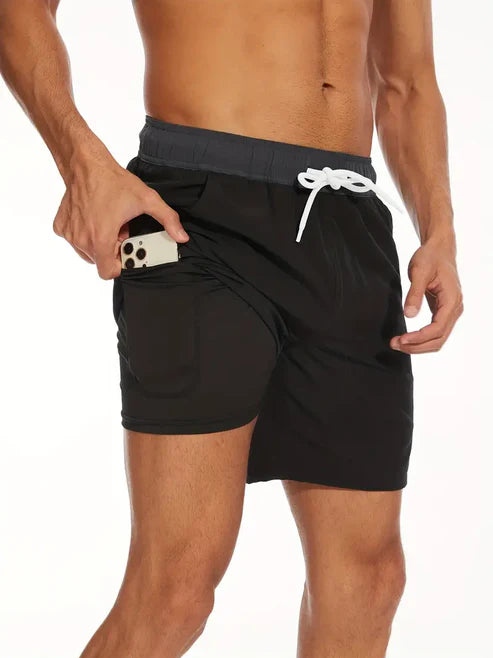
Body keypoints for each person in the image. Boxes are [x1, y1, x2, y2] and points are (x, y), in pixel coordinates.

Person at [0, 1, 463, 656]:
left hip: (348, 224)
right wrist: (81, 162)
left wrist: (439, 229)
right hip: (193, 217)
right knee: (176, 589)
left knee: (370, 580)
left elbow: (407, 80)